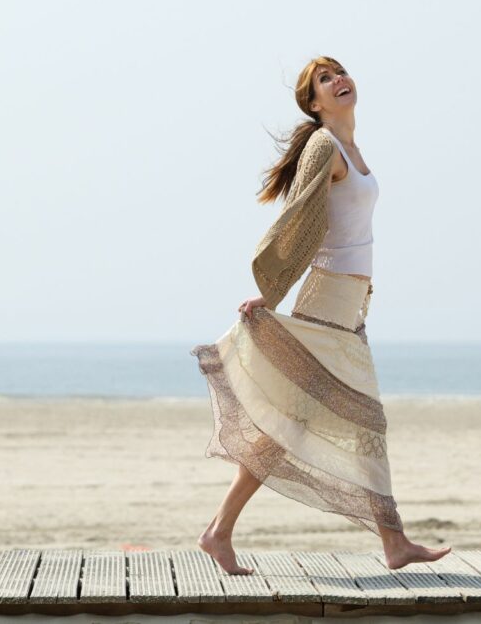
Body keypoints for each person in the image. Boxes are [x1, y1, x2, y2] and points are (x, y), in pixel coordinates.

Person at [190, 56, 452, 575]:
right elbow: (302, 219)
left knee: (296, 424)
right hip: (326, 300)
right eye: (325, 80)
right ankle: (393, 543)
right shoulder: (323, 146)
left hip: (349, 306)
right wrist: (274, 292)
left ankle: (219, 532)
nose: (339, 80)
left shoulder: (351, 149)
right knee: (359, 423)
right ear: (314, 103)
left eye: (340, 72)